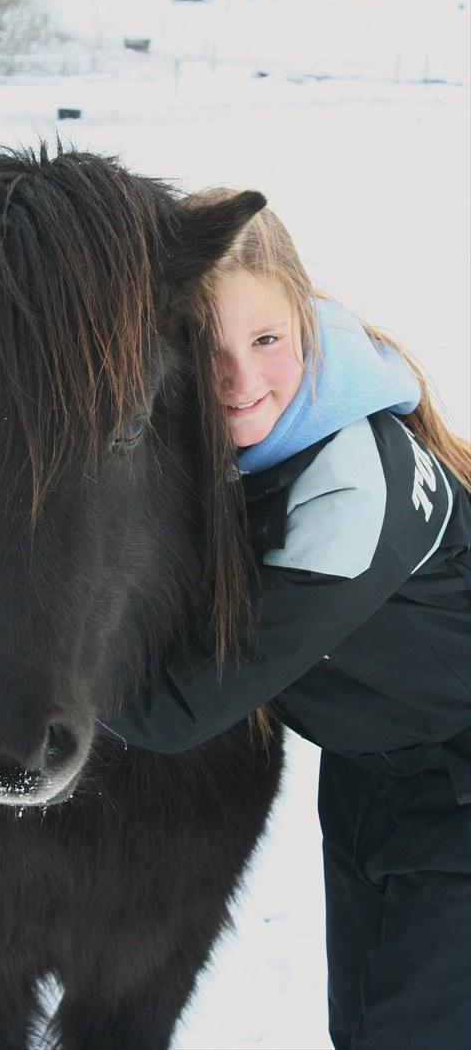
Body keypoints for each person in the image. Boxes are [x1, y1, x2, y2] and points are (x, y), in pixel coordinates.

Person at [103, 190, 471, 1050]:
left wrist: (13, 655)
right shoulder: (249, 444)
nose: (239, 380)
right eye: (203, 345)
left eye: (266, 340)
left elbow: (174, 708)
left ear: (305, 321)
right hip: (372, 775)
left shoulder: (352, 489)